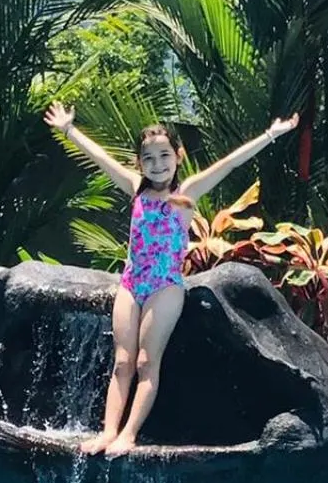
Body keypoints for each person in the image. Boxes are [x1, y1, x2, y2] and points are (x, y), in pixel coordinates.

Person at [43, 104, 298, 455]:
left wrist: (271, 134)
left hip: (165, 285)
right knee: (122, 361)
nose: (158, 163)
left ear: (177, 157)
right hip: (132, 282)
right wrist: (69, 130)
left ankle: (128, 434)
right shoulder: (136, 188)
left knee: (147, 361)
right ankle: (106, 431)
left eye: (164, 155)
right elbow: (102, 158)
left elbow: (230, 163)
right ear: (139, 163)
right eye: (149, 158)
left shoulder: (186, 193)